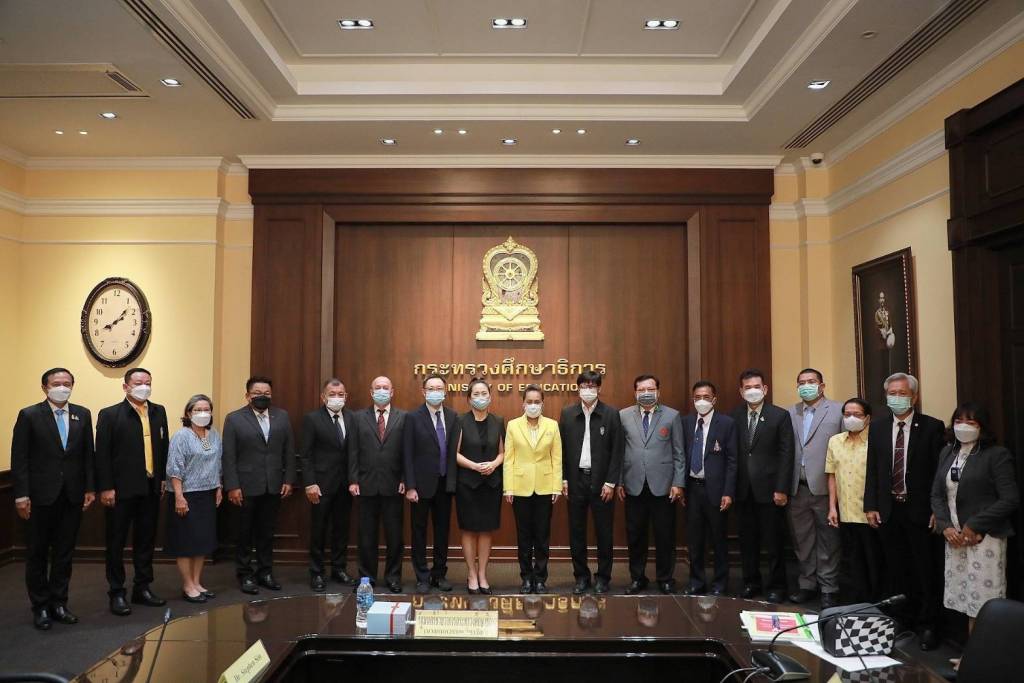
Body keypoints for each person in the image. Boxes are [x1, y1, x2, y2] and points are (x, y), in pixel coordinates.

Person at [931, 402, 1018, 669]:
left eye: (971, 422)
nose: (963, 427)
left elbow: (1009, 498)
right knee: (964, 596)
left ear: (982, 427)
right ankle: (971, 656)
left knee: (983, 601)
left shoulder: (997, 455)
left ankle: (980, 661)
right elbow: (937, 494)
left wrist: (974, 526)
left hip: (984, 538)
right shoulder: (948, 451)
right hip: (954, 538)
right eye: (959, 421)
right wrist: (945, 526)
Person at [864, 372, 944, 650]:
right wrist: (870, 505)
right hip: (888, 509)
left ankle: (928, 624)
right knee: (896, 569)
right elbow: (873, 469)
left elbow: (939, 473)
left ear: (914, 397)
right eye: (892, 393)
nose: (896, 398)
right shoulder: (877, 427)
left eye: (902, 393)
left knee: (924, 569)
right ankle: (902, 619)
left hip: (920, 510)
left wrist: (937, 509)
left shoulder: (932, 427)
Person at [11, 368, 95, 630]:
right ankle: (40, 607)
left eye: (67, 383)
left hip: (72, 495)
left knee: (64, 553)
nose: (62, 387)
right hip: (39, 497)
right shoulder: (29, 415)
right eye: (56, 383)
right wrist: (21, 494)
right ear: (44, 387)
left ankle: (59, 603)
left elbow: (88, 456)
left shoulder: (82, 414)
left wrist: (90, 488)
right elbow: (20, 458)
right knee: (37, 553)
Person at [95, 367, 169, 616]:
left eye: (148, 382)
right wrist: (106, 487)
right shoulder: (110, 414)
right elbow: (102, 454)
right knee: (116, 542)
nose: (144, 386)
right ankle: (117, 592)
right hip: (120, 490)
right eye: (138, 383)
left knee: (146, 540)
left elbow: (163, 447)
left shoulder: (159, 411)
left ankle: (142, 587)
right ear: (126, 386)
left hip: (150, 487)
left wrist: (161, 478)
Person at [222, 376, 296, 595]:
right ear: (247, 396)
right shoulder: (234, 419)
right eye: (257, 393)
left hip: (274, 485)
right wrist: (232, 486)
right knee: (244, 533)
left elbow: (289, 451)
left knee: (267, 533)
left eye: (266, 393)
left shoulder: (282, 416)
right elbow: (229, 456)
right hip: (244, 487)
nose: (262, 396)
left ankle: (265, 572)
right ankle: (245, 574)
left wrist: (289, 479)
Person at [729, 369, 794, 603]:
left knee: (774, 542)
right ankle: (751, 582)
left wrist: (782, 488)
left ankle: (777, 586)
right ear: (741, 391)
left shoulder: (780, 416)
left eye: (756, 386)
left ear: (765, 389)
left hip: (771, 491)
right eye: (747, 387)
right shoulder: (734, 416)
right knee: (747, 541)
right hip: (743, 490)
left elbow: (786, 454)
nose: (752, 391)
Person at [618, 375, 685, 595]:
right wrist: (619, 481)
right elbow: (620, 452)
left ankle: (665, 578)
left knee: (665, 535)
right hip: (633, 484)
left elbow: (679, 453)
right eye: (641, 390)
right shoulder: (623, 415)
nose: (646, 393)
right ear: (635, 393)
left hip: (663, 486)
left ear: (658, 391)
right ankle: (638, 578)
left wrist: (678, 482)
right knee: (635, 535)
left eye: (650, 389)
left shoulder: (672, 415)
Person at [560, 370, 624, 595]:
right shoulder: (568, 414)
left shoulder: (611, 414)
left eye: (592, 386)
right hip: (575, 480)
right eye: (584, 386)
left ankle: (603, 577)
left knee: (604, 532)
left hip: (602, 482)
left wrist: (611, 482)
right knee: (576, 532)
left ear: (599, 388)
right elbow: (561, 449)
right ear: (578, 388)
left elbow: (617, 451)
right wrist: (564, 478)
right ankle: (581, 577)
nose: (588, 390)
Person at [787, 368, 843, 608]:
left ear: (822, 385)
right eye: (802, 382)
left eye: (811, 381)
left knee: (829, 541)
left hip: (825, 487)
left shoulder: (839, 411)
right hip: (797, 488)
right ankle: (807, 584)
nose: (806, 385)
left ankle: (828, 587)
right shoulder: (790, 412)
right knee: (802, 541)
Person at [349, 376, 407, 593]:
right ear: (371, 392)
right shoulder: (357, 418)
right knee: (366, 536)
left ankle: (393, 577)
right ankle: (366, 578)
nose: (382, 391)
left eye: (385, 387)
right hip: (366, 485)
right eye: (377, 387)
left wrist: (405, 479)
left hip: (394, 485)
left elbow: (407, 452)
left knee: (395, 536)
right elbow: (352, 451)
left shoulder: (404, 417)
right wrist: (353, 480)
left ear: (392, 392)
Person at [403, 374, 459, 593]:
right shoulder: (412, 417)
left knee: (442, 532)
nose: (435, 392)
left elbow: (453, 451)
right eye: (431, 388)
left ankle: (439, 574)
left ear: (445, 391)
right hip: (420, 485)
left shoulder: (453, 416)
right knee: (419, 532)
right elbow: (407, 453)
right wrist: (410, 486)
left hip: (445, 484)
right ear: (424, 392)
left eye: (439, 388)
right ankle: (422, 577)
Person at [504, 384, 562, 594]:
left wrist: (556, 486)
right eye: (529, 402)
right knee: (524, 536)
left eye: (537, 402)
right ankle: (526, 578)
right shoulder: (513, 426)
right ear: (523, 404)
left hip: (545, 488)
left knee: (542, 536)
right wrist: (508, 488)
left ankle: (540, 579)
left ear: (542, 404)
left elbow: (557, 458)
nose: (533, 405)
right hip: (520, 488)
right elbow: (508, 459)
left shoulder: (552, 425)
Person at [300, 378, 357, 592]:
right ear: (323, 397)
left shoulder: (352, 418)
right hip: (321, 485)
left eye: (340, 394)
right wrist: (310, 483)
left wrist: (354, 479)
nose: (336, 398)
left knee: (341, 529)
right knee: (319, 530)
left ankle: (339, 569)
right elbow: (305, 455)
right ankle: (316, 572)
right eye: (332, 394)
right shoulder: (312, 419)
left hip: (345, 485)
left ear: (346, 396)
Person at [682, 380, 737, 596]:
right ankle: (696, 582)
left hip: (716, 490)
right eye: (697, 397)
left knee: (718, 539)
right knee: (694, 540)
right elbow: (681, 455)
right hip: (692, 488)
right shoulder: (686, 422)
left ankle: (720, 583)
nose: (701, 401)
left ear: (714, 399)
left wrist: (728, 492)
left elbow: (732, 461)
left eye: (706, 397)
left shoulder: (726, 423)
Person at [165, 394, 222, 603]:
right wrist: (179, 496)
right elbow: (174, 468)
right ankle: (187, 584)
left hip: (207, 494)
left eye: (206, 409)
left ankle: (197, 582)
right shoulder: (181, 436)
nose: (203, 413)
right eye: (198, 410)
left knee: (202, 542)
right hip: (186, 495)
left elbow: (218, 464)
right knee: (186, 543)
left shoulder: (213, 435)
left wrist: (218, 488)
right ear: (188, 413)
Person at [825, 398, 881, 604]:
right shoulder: (835, 441)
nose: (851, 418)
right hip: (845, 512)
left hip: (869, 513)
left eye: (857, 414)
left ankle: (874, 602)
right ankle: (854, 603)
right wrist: (832, 507)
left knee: (873, 561)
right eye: (847, 414)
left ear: (867, 418)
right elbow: (831, 475)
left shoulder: (876, 440)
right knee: (850, 560)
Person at [455, 378, 504, 594]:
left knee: (486, 530)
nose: (481, 398)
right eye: (476, 394)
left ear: (490, 397)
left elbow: (503, 452)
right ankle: (471, 574)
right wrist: (474, 466)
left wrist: (494, 464)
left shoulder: (498, 421)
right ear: (469, 398)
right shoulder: (460, 421)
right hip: (467, 484)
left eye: (484, 394)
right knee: (469, 530)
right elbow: (454, 453)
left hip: (491, 484)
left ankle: (483, 574)